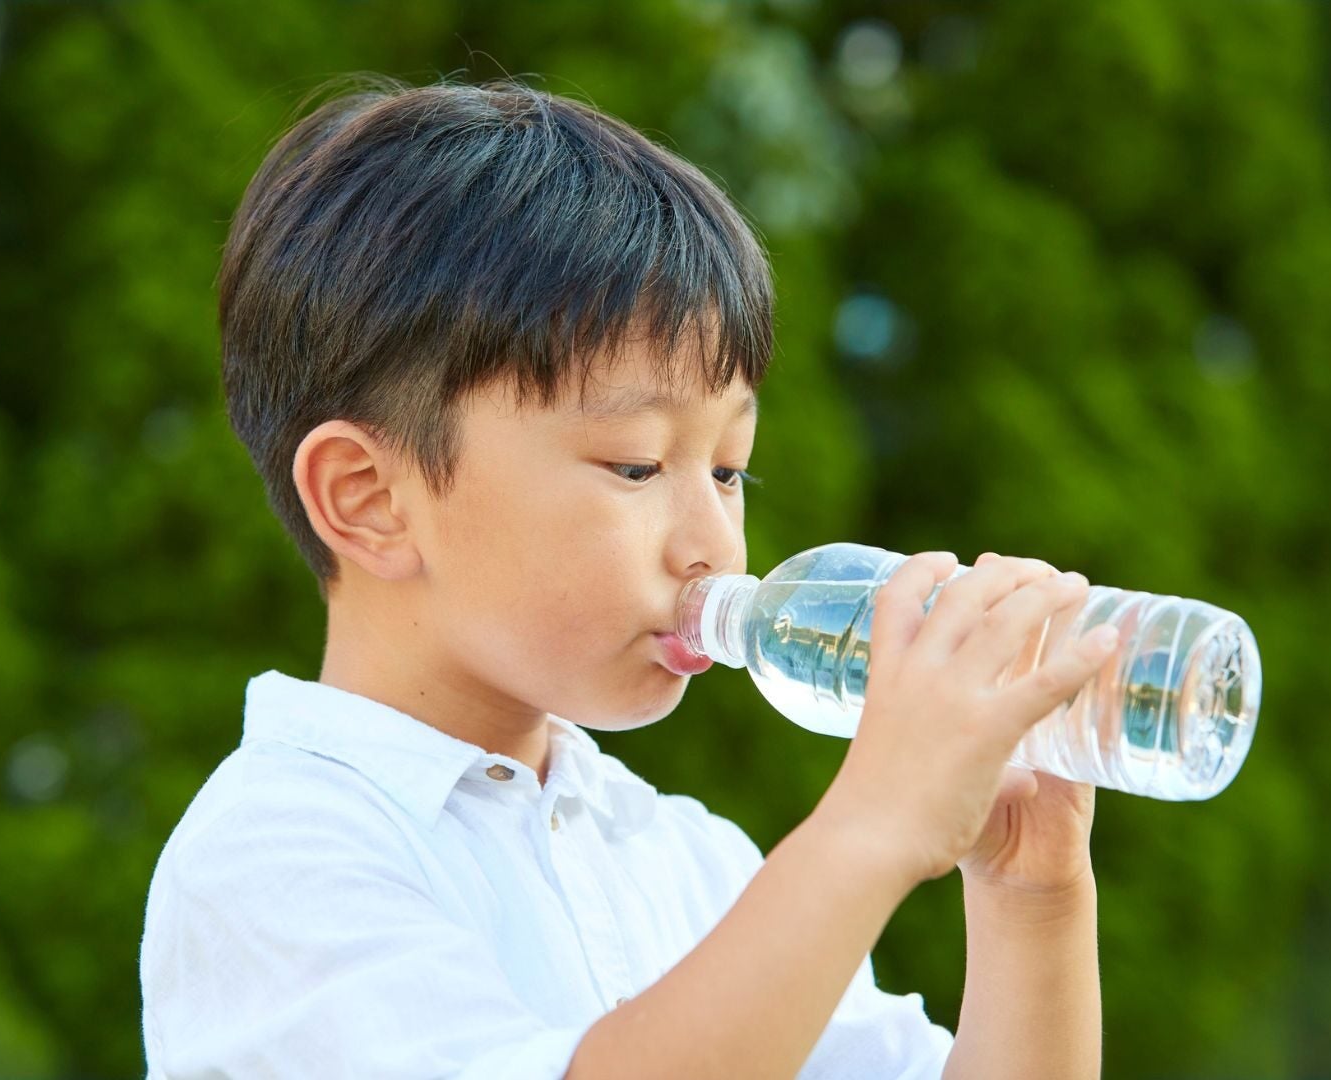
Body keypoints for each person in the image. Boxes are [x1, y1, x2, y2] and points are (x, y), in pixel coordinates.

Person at [139, 74, 1113, 1079]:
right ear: (371, 499)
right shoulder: (277, 856)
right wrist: (871, 828)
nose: (714, 545)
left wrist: (1032, 899)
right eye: (639, 466)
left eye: (729, 470)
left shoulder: (687, 861)